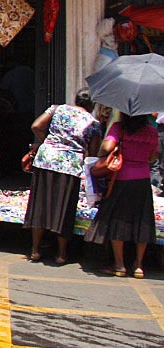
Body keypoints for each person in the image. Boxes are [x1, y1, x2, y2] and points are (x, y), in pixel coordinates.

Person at [22, 91, 102, 264]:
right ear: (92, 105)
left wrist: (48, 143)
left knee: (40, 205)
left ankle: (35, 250)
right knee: (64, 208)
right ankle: (61, 254)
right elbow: (93, 154)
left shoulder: (57, 109)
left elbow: (36, 126)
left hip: (46, 160)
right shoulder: (93, 123)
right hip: (70, 165)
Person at [86, 112, 159, 278]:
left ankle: (119, 265)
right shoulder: (151, 131)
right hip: (142, 181)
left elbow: (106, 148)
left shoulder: (119, 128)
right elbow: (153, 156)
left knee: (117, 220)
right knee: (142, 221)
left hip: (121, 179)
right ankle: (139, 266)